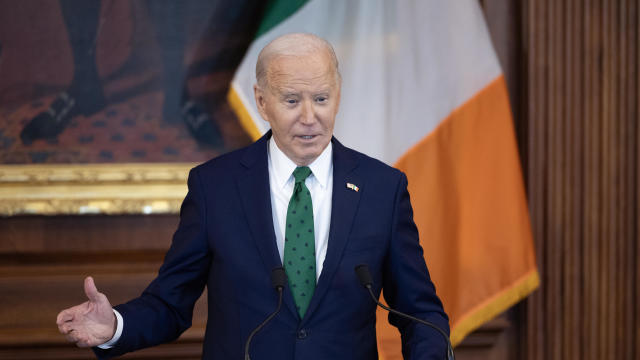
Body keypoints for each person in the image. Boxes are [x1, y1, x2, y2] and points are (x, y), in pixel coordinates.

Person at [56, 33, 449, 359]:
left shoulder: (382, 188)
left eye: (322, 98)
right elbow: (170, 305)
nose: (310, 117)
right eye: (292, 100)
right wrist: (114, 327)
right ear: (262, 101)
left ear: (339, 95)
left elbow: (419, 312)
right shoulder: (215, 188)